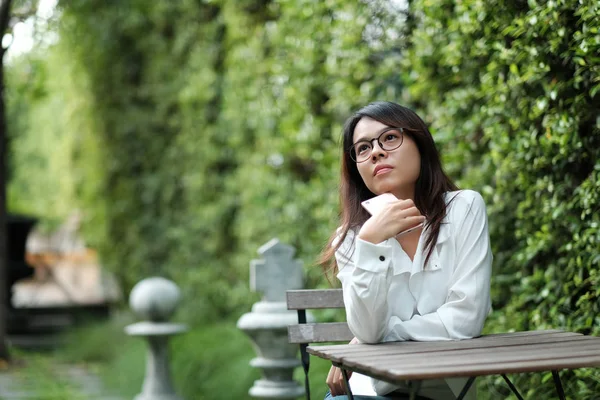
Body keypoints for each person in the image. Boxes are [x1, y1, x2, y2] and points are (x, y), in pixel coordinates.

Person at [318, 102, 493, 400]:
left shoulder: (465, 208)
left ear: (420, 143)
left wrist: (381, 336)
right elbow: (370, 331)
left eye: (389, 138)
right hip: (369, 390)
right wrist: (370, 245)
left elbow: (467, 318)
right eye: (362, 148)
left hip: (444, 391)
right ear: (357, 168)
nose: (376, 152)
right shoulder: (351, 239)